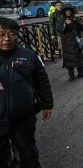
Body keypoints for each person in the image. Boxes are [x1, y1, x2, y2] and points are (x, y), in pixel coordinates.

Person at [0, 17, 53, 167]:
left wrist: (47, 104)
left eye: (11, 33)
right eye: (1, 34)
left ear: (18, 35)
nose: (6, 39)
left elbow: (42, 81)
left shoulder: (30, 55)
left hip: (23, 115)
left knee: (27, 153)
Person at [57, 6, 83, 82]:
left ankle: (80, 73)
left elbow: (82, 28)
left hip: (76, 41)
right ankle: (71, 75)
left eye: (70, 11)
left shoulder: (74, 18)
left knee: (78, 56)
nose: (68, 12)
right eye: (67, 11)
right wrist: (66, 24)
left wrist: (76, 22)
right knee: (69, 58)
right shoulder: (61, 19)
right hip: (67, 42)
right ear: (64, 12)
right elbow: (61, 30)